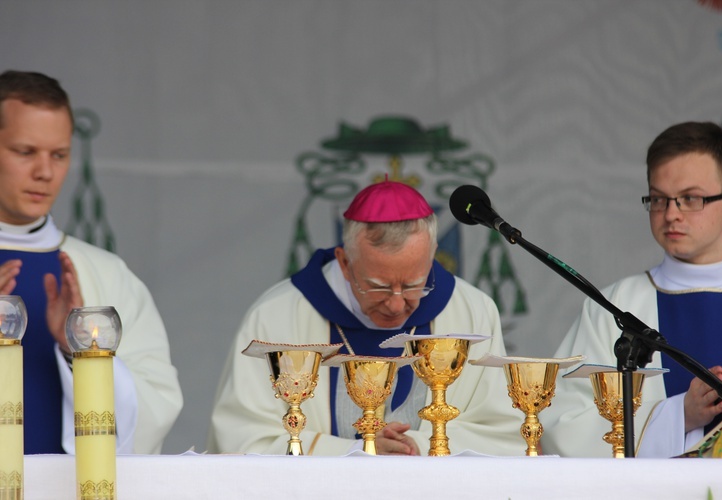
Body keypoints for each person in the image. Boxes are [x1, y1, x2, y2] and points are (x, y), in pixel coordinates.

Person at [208, 180, 525, 456]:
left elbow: (500, 432)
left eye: (413, 284)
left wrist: (414, 446)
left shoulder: (471, 311)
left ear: (432, 255)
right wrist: (354, 453)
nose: (396, 305)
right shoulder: (277, 316)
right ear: (344, 262)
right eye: (378, 287)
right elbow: (243, 437)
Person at [0, 70, 183, 454]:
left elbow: (157, 405)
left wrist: (79, 350)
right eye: (25, 151)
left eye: (59, 155)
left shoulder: (105, 273)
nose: (45, 172)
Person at [543, 121, 722, 458]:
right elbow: (562, 424)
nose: (670, 214)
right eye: (658, 199)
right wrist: (679, 416)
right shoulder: (616, 307)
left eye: (690, 199)